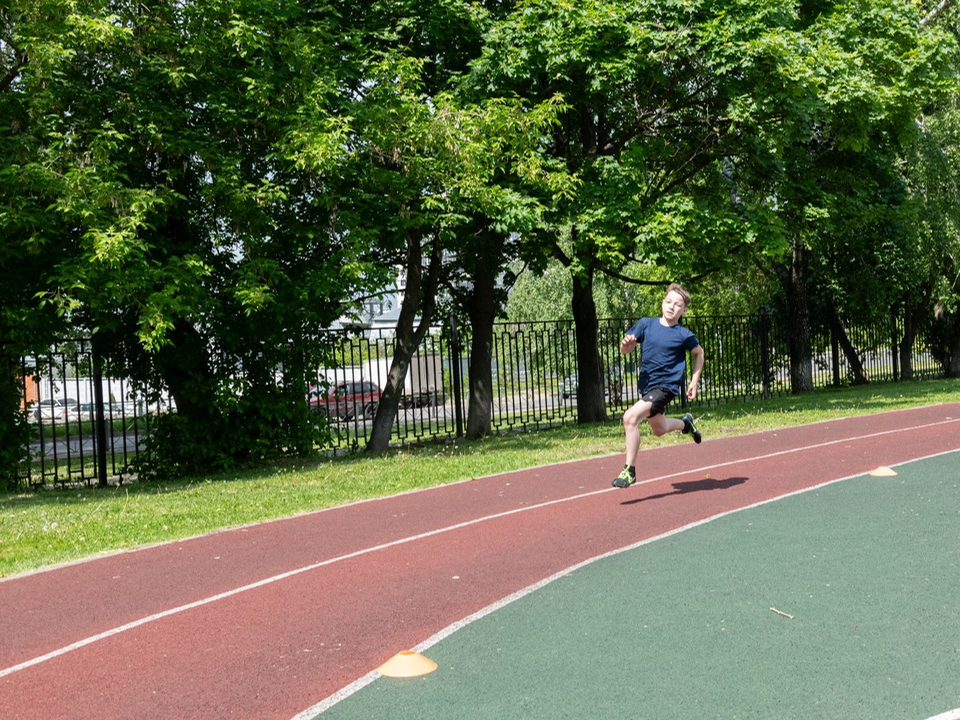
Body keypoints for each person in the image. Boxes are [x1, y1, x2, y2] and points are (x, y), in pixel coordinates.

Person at [612, 283, 705, 488]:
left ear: (684, 310)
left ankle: (630, 471)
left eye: (677, 304)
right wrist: (626, 345)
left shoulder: (684, 335)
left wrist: (694, 382)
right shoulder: (646, 324)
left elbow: (699, 353)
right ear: (663, 303)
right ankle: (686, 424)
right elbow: (626, 349)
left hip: (665, 388)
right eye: (668, 302)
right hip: (647, 387)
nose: (671, 307)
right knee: (659, 429)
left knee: (630, 417)